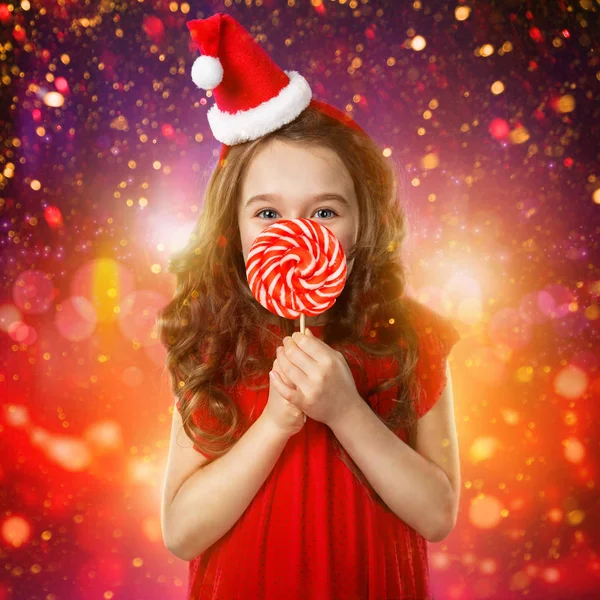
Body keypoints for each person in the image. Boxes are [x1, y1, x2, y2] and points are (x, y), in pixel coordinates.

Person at [159, 12, 462, 600]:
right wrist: (275, 422)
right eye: (268, 213)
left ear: (362, 222)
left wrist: (346, 410)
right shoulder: (215, 341)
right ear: (233, 227)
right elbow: (181, 531)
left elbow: (438, 514)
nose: (295, 233)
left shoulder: (410, 337)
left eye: (324, 211)